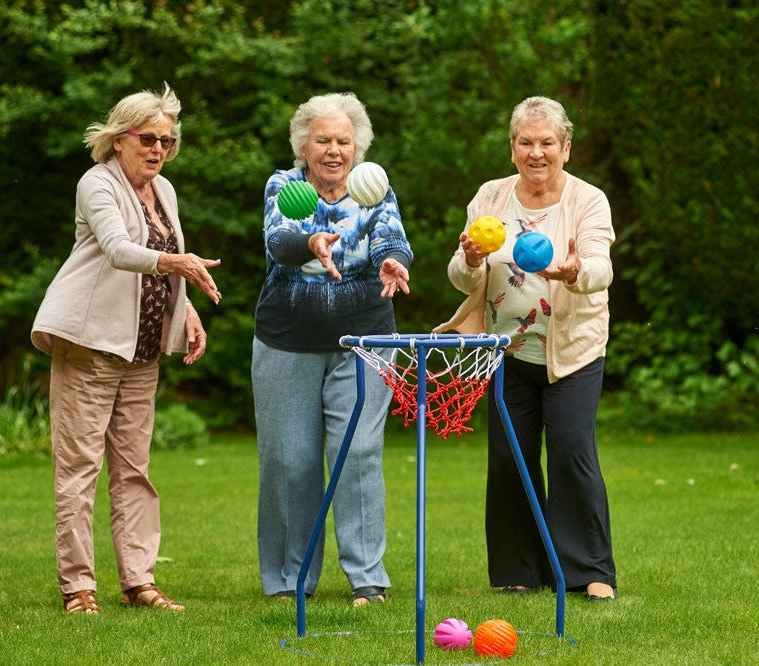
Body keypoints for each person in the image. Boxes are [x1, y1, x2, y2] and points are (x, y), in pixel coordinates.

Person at [31, 83, 222, 614]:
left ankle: (139, 582)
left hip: (141, 354)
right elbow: (119, 251)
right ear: (119, 139)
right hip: (90, 347)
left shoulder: (165, 191)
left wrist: (186, 310)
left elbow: (166, 257)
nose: (159, 149)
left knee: (134, 471)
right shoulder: (97, 184)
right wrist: (179, 266)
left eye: (168, 141)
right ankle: (78, 588)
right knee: (79, 470)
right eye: (148, 139)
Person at [435, 96, 617, 600]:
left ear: (566, 147)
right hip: (505, 352)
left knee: (571, 453)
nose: (537, 153)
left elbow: (601, 265)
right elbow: (460, 277)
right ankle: (520, 570)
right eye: (526, 143)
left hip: (573, 353)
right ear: (512, 148)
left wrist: (574, 271)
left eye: (547, 143)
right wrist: (470, 257)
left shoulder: (588, 200)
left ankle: (589, 573)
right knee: (510, 458)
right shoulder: (491, 197)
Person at [251, 92, 412, 606]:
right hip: (287, 342)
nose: (334, 150)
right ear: (304, 144)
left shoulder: (375, 188)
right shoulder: (285, 185)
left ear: (358, 146)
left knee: (358, 453)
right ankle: (288, 580)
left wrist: (391, 260)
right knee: (290, 461)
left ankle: (367, 577)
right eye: (323, 139)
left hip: (365, 342)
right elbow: (279, 239)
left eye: (344, 140)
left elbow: (392, 236)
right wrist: (311, 244)